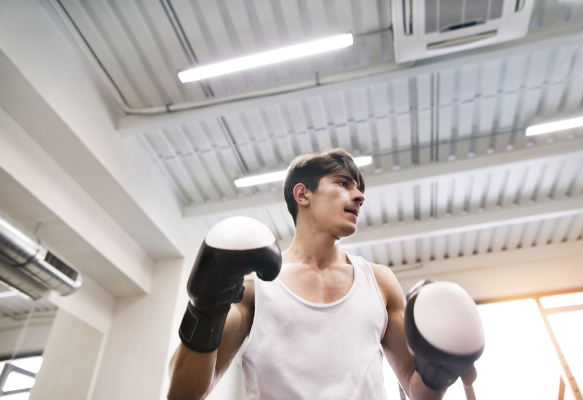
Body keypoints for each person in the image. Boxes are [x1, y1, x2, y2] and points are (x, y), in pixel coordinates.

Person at [168, 148, 481, 400]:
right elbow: (185, 394)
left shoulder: (380, 282)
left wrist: (438, 370)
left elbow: (418, 392)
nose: (359, 196)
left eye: (359, 189)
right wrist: (206, 307)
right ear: (303, 195)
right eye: (343, 183)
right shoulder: (255, 289)